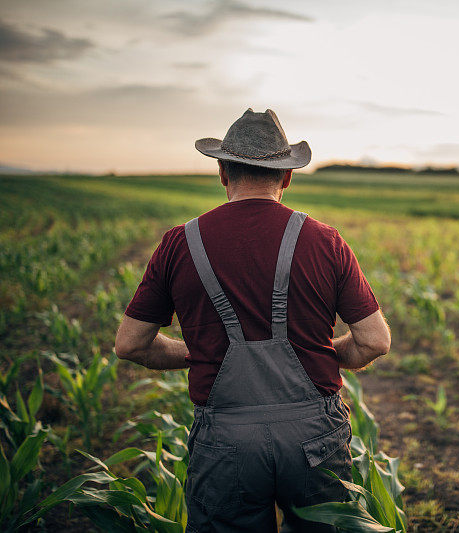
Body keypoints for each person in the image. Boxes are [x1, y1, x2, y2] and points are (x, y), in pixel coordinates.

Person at [114, 108, 391, 532]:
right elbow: (373, 341)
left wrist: (200, 354)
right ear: (286, 176)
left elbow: (130, 344)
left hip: (224, 437)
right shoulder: (325, 240)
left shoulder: (179, 243)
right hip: (314, 436)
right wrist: (321, 353)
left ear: (222, 172)